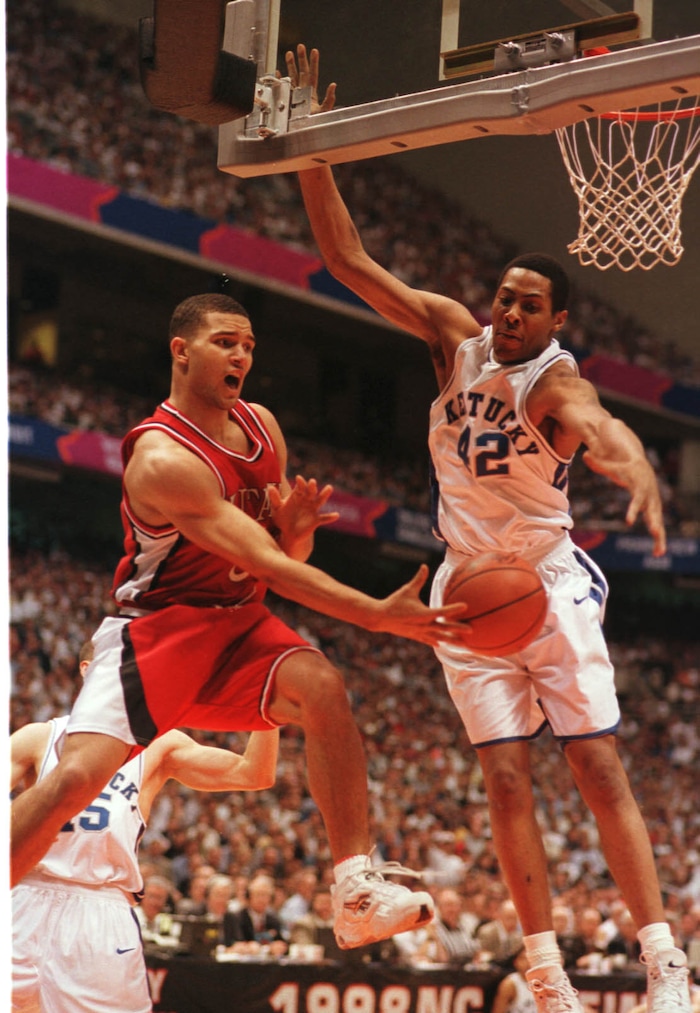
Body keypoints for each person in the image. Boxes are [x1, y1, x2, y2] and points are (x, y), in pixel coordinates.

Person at [287, 42, 691, 1013]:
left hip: (541, 580)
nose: (507, 310)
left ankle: (662, 957)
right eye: (503, 295)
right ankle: (543, 971)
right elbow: (346, 259)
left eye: (526, 304)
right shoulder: (449, 337)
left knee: (594, 764)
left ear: (556, 318)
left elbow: (600, 427)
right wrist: (310, 151)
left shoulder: (554, 379)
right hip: (464, 585)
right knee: (504, 784)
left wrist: (633, 464)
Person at [11, 290, 471, 949]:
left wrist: (298, 536)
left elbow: (276, 561)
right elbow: (273, 566)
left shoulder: (263, 428)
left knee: (324, 687)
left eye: (249, 345)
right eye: (226, 341)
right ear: (182, 350)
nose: (242, 355)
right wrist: (374, 613)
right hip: (160, 629)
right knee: (76, 780)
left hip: (238, 621)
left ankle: (355, 890)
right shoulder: (163, 458)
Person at [10, 641, 282, 1013]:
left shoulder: (159, 746)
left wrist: (264, 701)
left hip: (101, 905)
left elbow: (255, 773)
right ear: (88, 670)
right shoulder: (38, 737)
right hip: (22, 895)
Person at [223, 873, 288, 956]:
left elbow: (283, 944)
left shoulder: (274, 919)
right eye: (258, 895)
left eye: (265, 895)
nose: (262, 900)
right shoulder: (235, 917)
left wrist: (279, 947)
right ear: (249, 896)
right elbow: (235, 943)